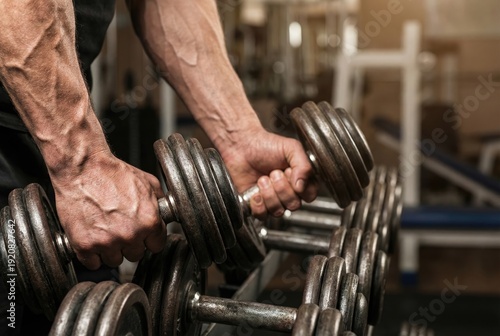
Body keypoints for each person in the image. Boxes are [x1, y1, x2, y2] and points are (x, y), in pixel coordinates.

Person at [0, 0, 318, 334]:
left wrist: (238, 137)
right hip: (27, 142)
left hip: (49, 137)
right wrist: (81, 164)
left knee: (99, 314)